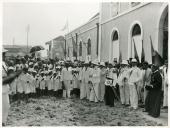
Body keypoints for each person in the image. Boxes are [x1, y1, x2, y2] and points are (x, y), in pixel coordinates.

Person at [2, 48, 21, 126]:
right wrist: (14, 75)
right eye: (4, 54)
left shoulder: (3, 64)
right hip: (2, 89)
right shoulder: (2, 64)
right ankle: (2, 122)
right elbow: (5, 80)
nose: (5, 56)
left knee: (6, 106)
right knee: (5, 107)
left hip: (4, 89)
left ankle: (3, 121)